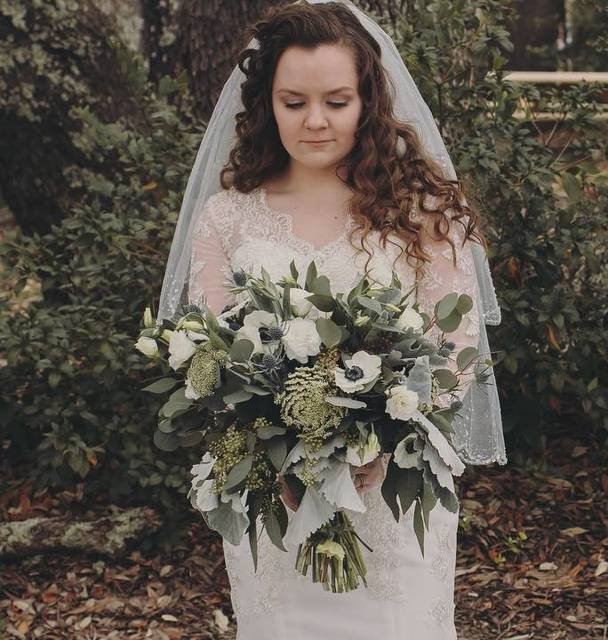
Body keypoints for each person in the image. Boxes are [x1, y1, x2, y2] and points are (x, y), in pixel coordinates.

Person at [155, 1, 507, 638]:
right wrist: (274, 440)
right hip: (273, 491)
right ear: (267, 103)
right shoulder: (228, 218)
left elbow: (456, 351)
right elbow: (207, 359)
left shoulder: (423, 211)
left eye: (336, 101)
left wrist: (382, 438)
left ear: (368, 100)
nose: (315, 121)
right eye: (294, 102)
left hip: (394, 488)